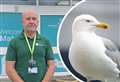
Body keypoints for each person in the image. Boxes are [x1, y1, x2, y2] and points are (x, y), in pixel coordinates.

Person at [5, 10, 55, 82]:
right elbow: (9, 68)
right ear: (22, 22)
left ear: (37, 22)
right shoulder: (14, 42)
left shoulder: (45, 41)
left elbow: (52, 66)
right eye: (28, 19)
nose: (31, 21)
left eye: (34, 19)